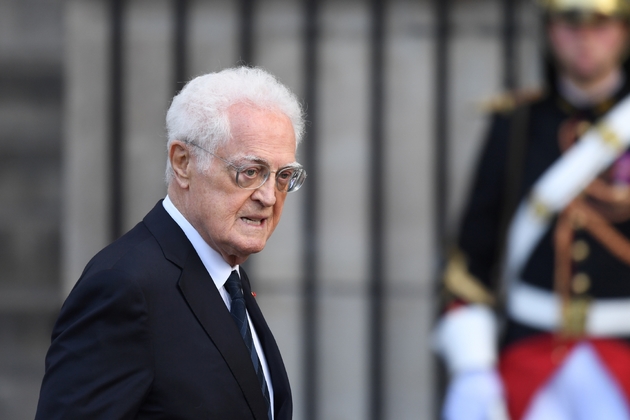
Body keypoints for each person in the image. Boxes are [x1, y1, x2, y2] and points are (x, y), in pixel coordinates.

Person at [35, 66, 306, 419]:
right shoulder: (124, 287)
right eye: (250, 172)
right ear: (182, 163)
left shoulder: (228, 280)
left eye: (284, 176)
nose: (269, 197)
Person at [434, 0, 630, 419]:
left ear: (626, 30)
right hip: (531, 358)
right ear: (549, 29)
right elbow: (471, 260)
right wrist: (473, 367)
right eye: (570, 22)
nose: (585, 38)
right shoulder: (516, 123)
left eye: (602, 22)